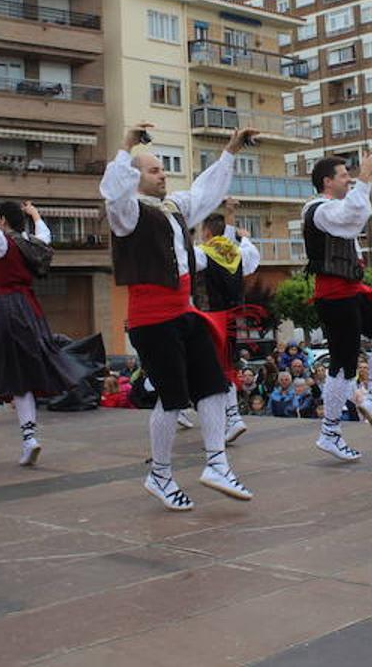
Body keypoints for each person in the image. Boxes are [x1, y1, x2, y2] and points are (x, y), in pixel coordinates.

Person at [100, 122, 256, 511]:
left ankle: (218, 463)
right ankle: (160, 474)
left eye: (162, 169)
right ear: (135, 177)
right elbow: (112, 194)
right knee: (171, 399)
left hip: (183, 313)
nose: (163, 174)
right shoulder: (128, 213)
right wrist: (125, 146)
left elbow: (205, 189)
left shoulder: (173, 209)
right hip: (151, 320)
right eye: (154, 170)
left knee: (216, 385)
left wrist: (230, 150)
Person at [0, 200, 83, 467]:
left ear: (3, 221)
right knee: (21, 373)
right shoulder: (30, 241)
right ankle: (29, 438)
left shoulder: (0, 240)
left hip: (4, 308)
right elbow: (46, 235)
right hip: (28, 309)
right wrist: (36, 215)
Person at [303, 148, 372, 463]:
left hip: (350, 290)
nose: (349, 179)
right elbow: (353, 216)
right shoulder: (319, 209)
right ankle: (330, 432)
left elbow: (353, 216)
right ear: (327, 181)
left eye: (350, 175)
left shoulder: (334, 206)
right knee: (343, 364)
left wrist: (364, 178)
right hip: (334, 295)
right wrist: (366, 176)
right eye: (344, 175)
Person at [193, 197, 260, 444]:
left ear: (207, 232)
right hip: (233, 318)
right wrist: (244, 235)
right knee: (227, 366)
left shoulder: (201, 253)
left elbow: (183, 262)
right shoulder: (238, 252)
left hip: (210, 317)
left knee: (210, 369)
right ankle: (230, 417)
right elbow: (251, 256)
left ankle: (230, 417)